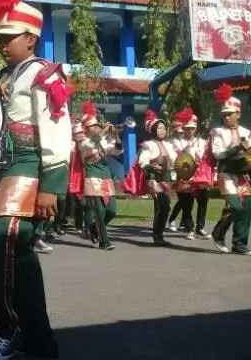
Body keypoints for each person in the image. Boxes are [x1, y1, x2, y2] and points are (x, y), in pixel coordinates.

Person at [0, 0, 72, 360]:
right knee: (16, 252)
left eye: (9, 38)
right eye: (0, 38)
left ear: (30, 39)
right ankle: (37, 335)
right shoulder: (4, 76)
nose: (2, 44)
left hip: (29, 164)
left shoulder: (44, 73)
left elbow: (55, 127)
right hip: (6, 168)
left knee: (3, 241)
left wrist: (52, 184)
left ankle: (12, 330)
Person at [70, 102, 122, 250]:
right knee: (99, 210)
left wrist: (116, 134)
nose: (97, 127)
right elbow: (91, 145)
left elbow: (117, 150)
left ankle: (94, 228)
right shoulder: (83, 142)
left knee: (111, 210)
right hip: (92, 176)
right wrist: (105, 130)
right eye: (94, 126)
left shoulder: (102, 140)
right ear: (86, 129)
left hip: (106, 175)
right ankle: (104, 241)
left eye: (98, 125)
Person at [208, 85, 251, 255]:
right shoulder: (217, 132)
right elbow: (218, 154)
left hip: (244, 175)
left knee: (247, 208)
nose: (226, 116)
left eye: (230, 113)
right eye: (224, 114)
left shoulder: (247, 132)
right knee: (236, 207)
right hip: (226, 174)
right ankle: (218, 232)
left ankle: (240, 245)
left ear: (238, 114)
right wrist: (237, 148)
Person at [124, 110, 176, 246]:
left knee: (165, 207)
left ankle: (159, 235)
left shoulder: (170, 146)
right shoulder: (149, 146)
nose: (163, 130)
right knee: (163, 205)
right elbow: (142, 163)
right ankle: (157, 235)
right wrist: (153, 168)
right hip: (153, 179)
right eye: (159, 128)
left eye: (164, 128)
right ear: (153, 130)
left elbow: (176, 162)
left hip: (167, 179)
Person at [171, 107, 210, 240]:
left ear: (196, 128)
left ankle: (200, 227)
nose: (189, 130)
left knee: (203, 200)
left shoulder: (202, 142)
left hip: (199, 176)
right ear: (183, 128)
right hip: (184, 175)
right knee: (186, 203)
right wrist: (186, 149)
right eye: (187, 127)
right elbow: (175, 157)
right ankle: (189, 228)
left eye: (192, 128)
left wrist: (200, 153)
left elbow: (206, 157)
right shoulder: (177, 142)